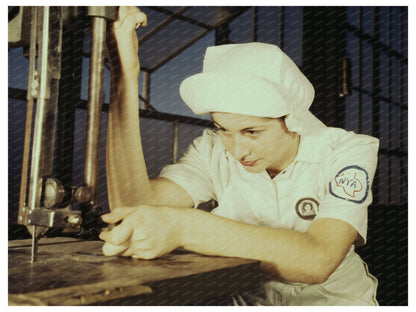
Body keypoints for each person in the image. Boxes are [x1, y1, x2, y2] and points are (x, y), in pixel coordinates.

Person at [100, 7, 379, 306]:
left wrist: (183, 226)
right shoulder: (211, 151)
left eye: (252, 132)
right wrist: (124, 78)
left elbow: (317, 259)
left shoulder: (347, 151)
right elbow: (132, 210)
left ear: (293, 118)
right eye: (223, 129)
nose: (236, 150)